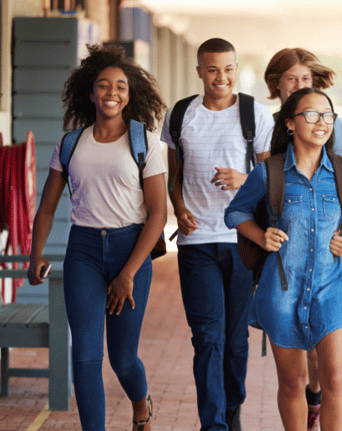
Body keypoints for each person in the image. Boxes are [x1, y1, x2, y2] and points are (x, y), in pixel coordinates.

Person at [27, 44, 167, 431]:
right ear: (90, 93)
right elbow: (47, 207)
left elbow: (159, 214)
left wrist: (128, 273)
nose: (111, 92)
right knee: (86, 357)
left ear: (129, 94)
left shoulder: (145, 143)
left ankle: (141, 404)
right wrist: (35, 252)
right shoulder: (71, 144)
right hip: (83, 251)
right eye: (103, 85)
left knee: (122, 359)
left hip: (131, 250)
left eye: (120, 86)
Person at [225, 87, 342, 431]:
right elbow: (235, 212)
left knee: (336, 381)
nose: (321, 122)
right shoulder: (270, 173)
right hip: (281, 291)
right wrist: (261, 234)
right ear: (290, 124)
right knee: (292, 383)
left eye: (327, 115)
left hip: (330, 287)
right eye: (311, 114)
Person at [160, 38, 274, 431]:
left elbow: (272, 181)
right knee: (207, 337)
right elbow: (174, 177)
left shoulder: (254, 114)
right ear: (199, 72)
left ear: (236, 68)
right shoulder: (180, 116)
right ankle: (214, 425)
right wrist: (179, 209)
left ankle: (232, 412)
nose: (220, 77)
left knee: (234, 341)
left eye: (228, 69)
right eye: (212, 70)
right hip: (196, 244)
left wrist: (244, 180)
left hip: (241, 241)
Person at [264, 47, 342, 430]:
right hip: (279, 261)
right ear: (278, 86)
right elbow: (253, 196)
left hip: (324, 267)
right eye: (291, 79)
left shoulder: (338, 132)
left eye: (305, 79)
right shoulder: (265, 125)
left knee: (324, 362)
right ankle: (304, 401)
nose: (299, 86)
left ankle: (315, 399)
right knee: (292, 366)